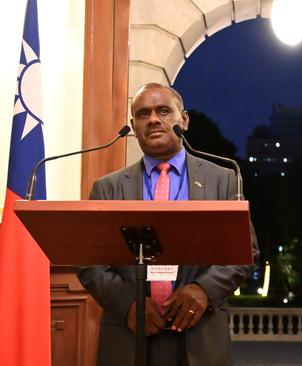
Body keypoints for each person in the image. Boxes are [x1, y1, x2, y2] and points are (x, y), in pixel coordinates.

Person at [77, 83, 259, 366]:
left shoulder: (224, 179)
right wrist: (129, 305)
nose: (153, 119)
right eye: (142, 114)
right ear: (133, 126)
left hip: (200, 333)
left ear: (183, 120)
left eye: (163, 111)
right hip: (130, 334)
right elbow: (89, 261)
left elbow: (245, 252)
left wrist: (203, 290)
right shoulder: (107, 188)